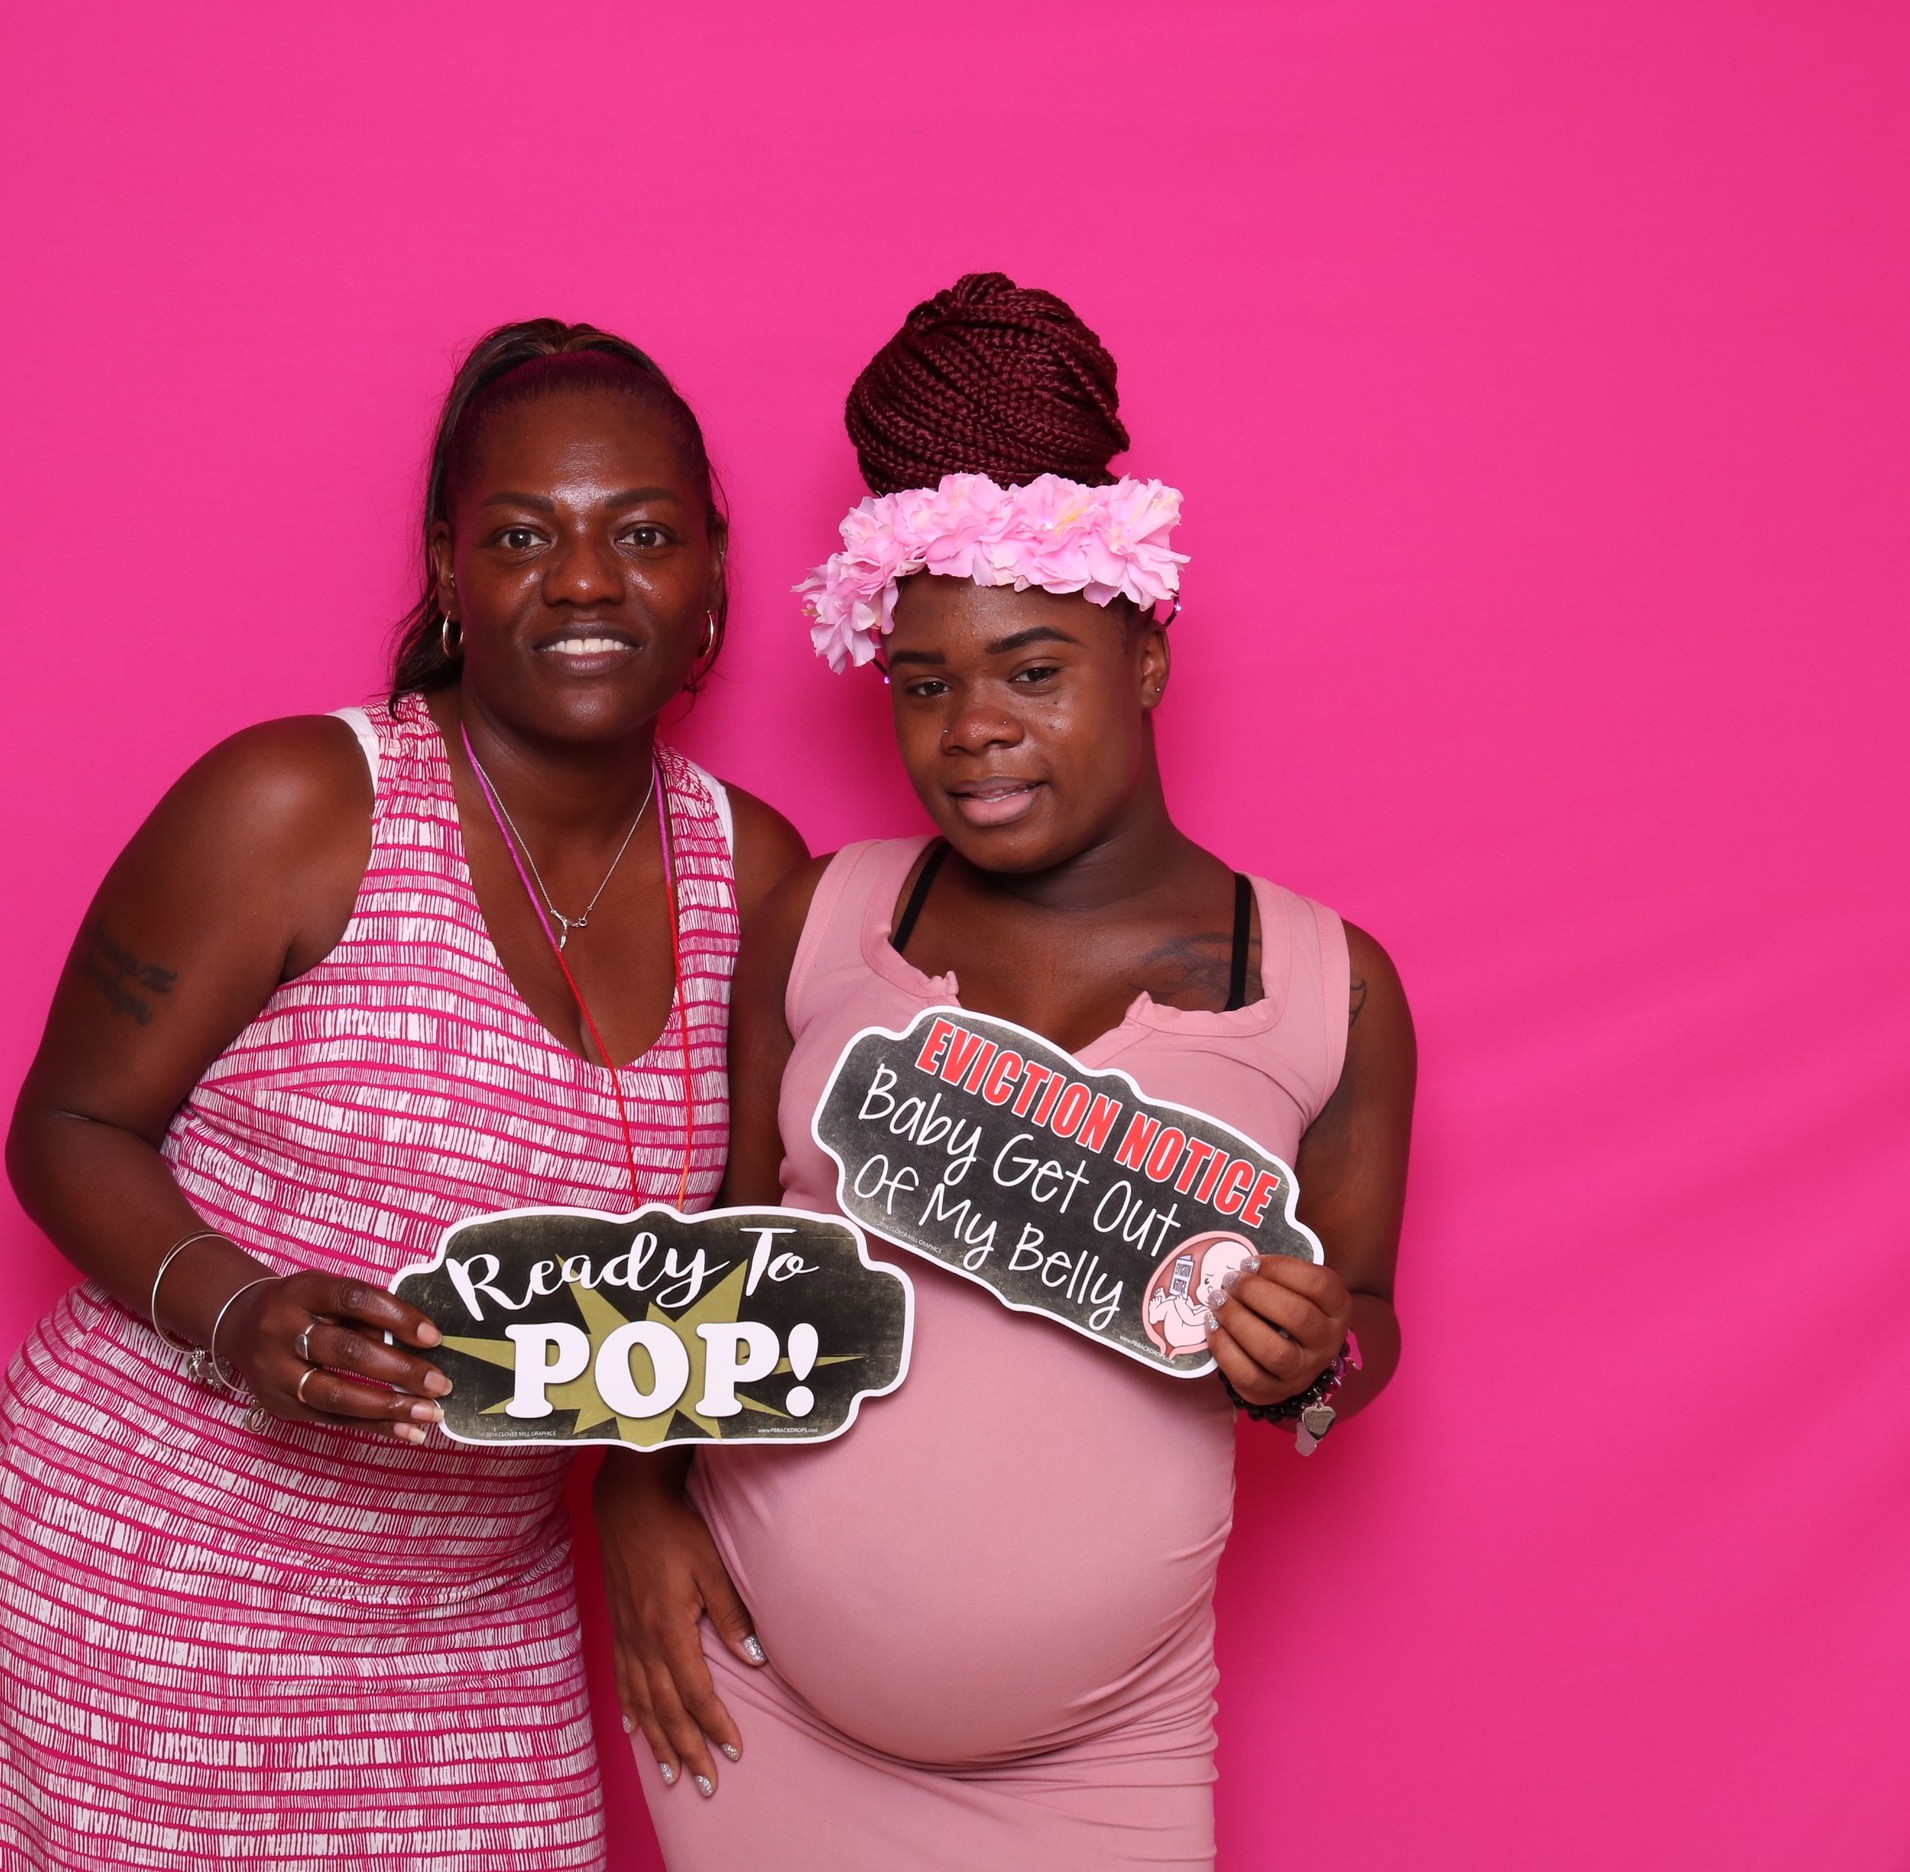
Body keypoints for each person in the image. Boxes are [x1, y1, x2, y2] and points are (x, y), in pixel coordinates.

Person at [0, 320, 807, 1869]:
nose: (584, 581)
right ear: (451, 572)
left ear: (713, 576)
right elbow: (65, 1127)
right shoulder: (299, 803)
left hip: (476, 1616)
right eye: (521, 536)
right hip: (157, 1583)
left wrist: (643, 1494)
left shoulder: (756, 871)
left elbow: (729, 1259)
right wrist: (236, 1310)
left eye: (643, 535)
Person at [594, 274, 1418, 1868]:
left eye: (1034, 671)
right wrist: (633, 1511)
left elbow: (1364, 1324)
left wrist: (1312, 1352)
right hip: (747, 1705)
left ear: (1147, 662)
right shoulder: (822, 917)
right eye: (926, 683)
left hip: (1101, 1759)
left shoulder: (1331, 989)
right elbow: (701, 1257)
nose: (971, 728)